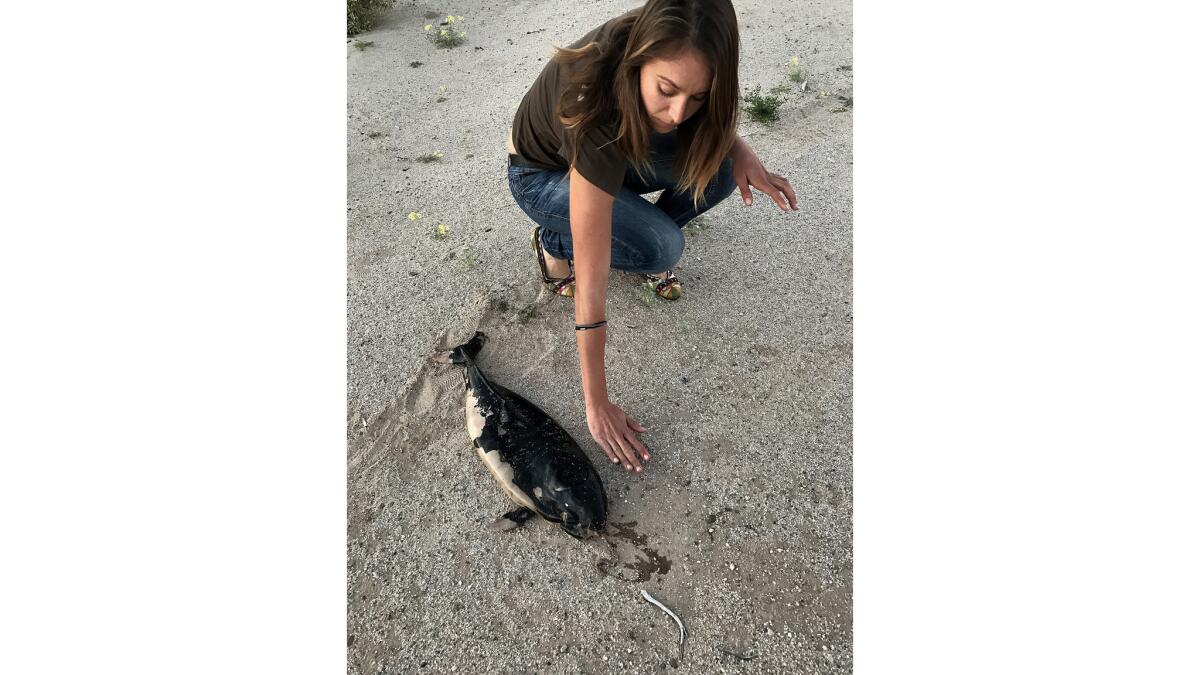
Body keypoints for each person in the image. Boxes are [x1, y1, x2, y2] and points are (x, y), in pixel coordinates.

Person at [505, 0, 798, 474]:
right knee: (661, 247)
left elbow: (698, 117)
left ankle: (635, 228)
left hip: (620, 146)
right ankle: (554, 243)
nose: (680, 112)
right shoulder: (594, 97)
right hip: (544, 175)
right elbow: (594, 276)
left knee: (719, 165)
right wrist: (596, 403)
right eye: (667, 89)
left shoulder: (682, 56)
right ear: (640, 58)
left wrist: (738, 147)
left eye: (698, 97)